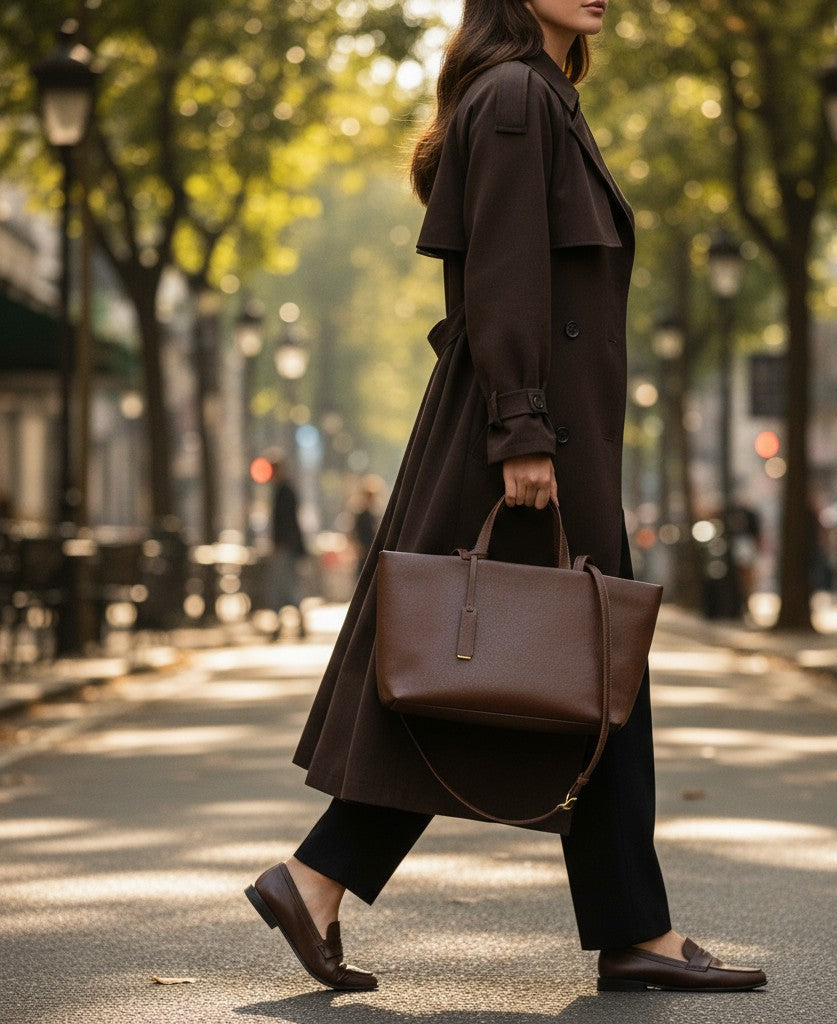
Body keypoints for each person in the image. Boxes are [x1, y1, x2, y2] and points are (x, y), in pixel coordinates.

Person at [245, 0, 766, 995]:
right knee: (515, 669)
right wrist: (523, 432)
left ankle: (325, 881)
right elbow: (503, 277)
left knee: (552, 671)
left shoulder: (540, 96)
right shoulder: (521, 96)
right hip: (531, 439)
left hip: (544, 432)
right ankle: (328, 879)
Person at [265, 458, 308, 640]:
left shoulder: (285, 492)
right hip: (287, 547)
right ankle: (288, 624)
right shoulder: (282, 491)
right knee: (284, 588)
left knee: (285, 588)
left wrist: (280, 544)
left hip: (285, 548)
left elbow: (287, 523)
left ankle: (289, 625)